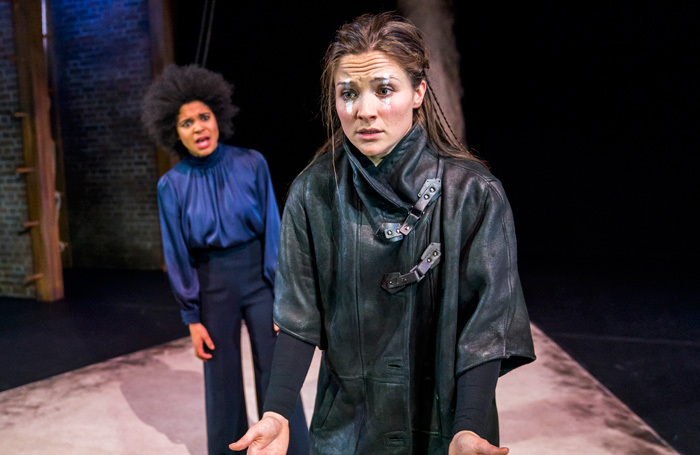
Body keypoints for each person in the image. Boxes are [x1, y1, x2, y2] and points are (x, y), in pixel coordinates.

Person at [230, 12, 536, 455]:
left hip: (447, 428)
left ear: (419, 92)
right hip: (349, 426)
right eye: (348, 93)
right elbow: (299, 316)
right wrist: (277, 412)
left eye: (384, 89)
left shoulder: (473, 192)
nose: (364, 111)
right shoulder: (312, 191)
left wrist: (469, 427)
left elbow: (486, 326)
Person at [141, 64, 309, 455]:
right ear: (174, 132)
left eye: (204, 117)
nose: (199, 128)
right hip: (212, 286)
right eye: (187, 123)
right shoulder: (172, 185)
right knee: (222, 380)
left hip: (261, 282)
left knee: (278, 376)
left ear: (218, 117)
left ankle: (297, 449)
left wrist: (283, 294)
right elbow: (177, 252)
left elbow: (273, 228)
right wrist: (192, 318)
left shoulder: (252, 162)